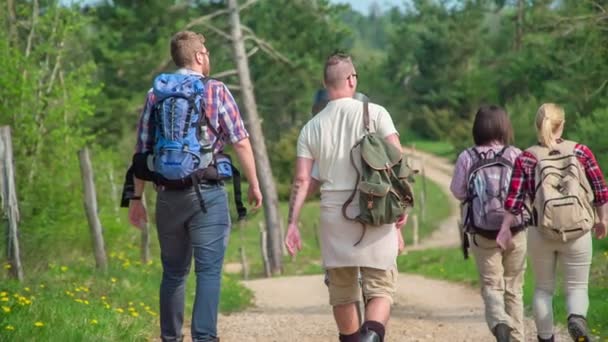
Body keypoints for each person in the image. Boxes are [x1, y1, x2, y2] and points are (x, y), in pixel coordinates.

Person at [128, 31, 262, 342]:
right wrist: (254, 184)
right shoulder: (215, 90)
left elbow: (141, 151)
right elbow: (241, 141)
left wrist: (136, 198)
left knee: (173, 273)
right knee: (208, 273)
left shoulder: (155, 94)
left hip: (166, 197)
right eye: (208, 53)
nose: (209, 58)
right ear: (199, 57)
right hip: (207, 196)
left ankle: (170, 338)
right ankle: (204, 338)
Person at [285, 53, 406, 342]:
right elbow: (397, 160)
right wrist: (401, 207)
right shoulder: (376, 113)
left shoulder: (311, 127)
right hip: (374, 207)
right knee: (380, 287)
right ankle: (372, 338)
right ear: (352, 79)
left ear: (325, 84)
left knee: (342, 291)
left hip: (333, 214)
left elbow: (303, 180)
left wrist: (293, 222)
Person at [497, 103, 608, 342]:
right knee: (577, 286)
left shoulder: (527, 157)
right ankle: (576, 318)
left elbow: (514, 200)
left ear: (537, 125)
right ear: (563, 124)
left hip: (541, 231)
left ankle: (546, 338)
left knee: (543, 289)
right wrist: (603, 220)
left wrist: (505, 228)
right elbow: (600, 190)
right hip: (578, 231)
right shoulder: (581, 151)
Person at [449, 105, 526, 342]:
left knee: (492, 285)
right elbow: (527, 190)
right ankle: (517, 338)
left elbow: (458, 191)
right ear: (504, 126)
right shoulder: (515, 154)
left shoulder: (467, 157)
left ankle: (499, 321)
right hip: (514, 229)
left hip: (483, 233)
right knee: (514, 287)